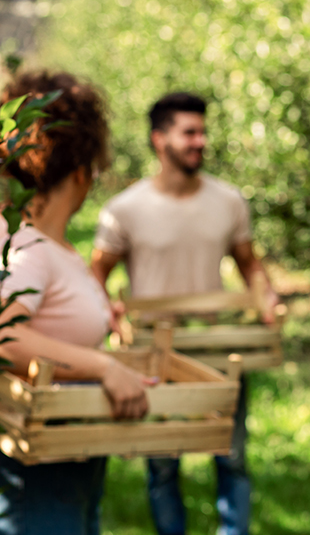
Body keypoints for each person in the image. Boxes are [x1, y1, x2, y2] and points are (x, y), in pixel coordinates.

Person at [90, 92, 278, 535]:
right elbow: (96, 272)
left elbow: (249, 263)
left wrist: (266, 296)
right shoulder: (124, 209)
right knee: (162, 467)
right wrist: (109, 313)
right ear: (160, 139)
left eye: (203, 131)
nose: (200, 141)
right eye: (189, 132)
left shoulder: (228, 201)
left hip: (217, 350)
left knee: (232, 459)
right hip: (157, 355)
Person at [0, 70, 157, 535]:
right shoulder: (29, 249)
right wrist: (103, 367)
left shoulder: (55, 248)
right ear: (82, 171)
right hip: (40, 466)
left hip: (71, 453)